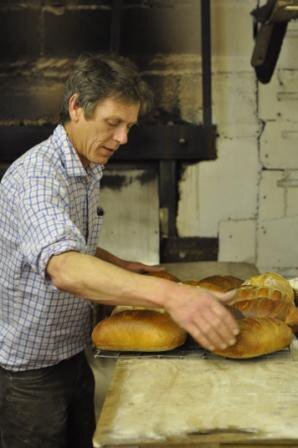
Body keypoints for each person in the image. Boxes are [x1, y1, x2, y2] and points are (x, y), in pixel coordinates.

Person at [0, 53, 239, 448]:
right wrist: (174, 296)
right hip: (30, 376)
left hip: (72, 355)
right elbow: (63, 267)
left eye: (129, 126)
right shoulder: (37, 177)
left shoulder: (85, 163)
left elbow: (71, 242)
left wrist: (122, 266)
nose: (123, 139)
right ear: (77, 107)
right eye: (114, 123)